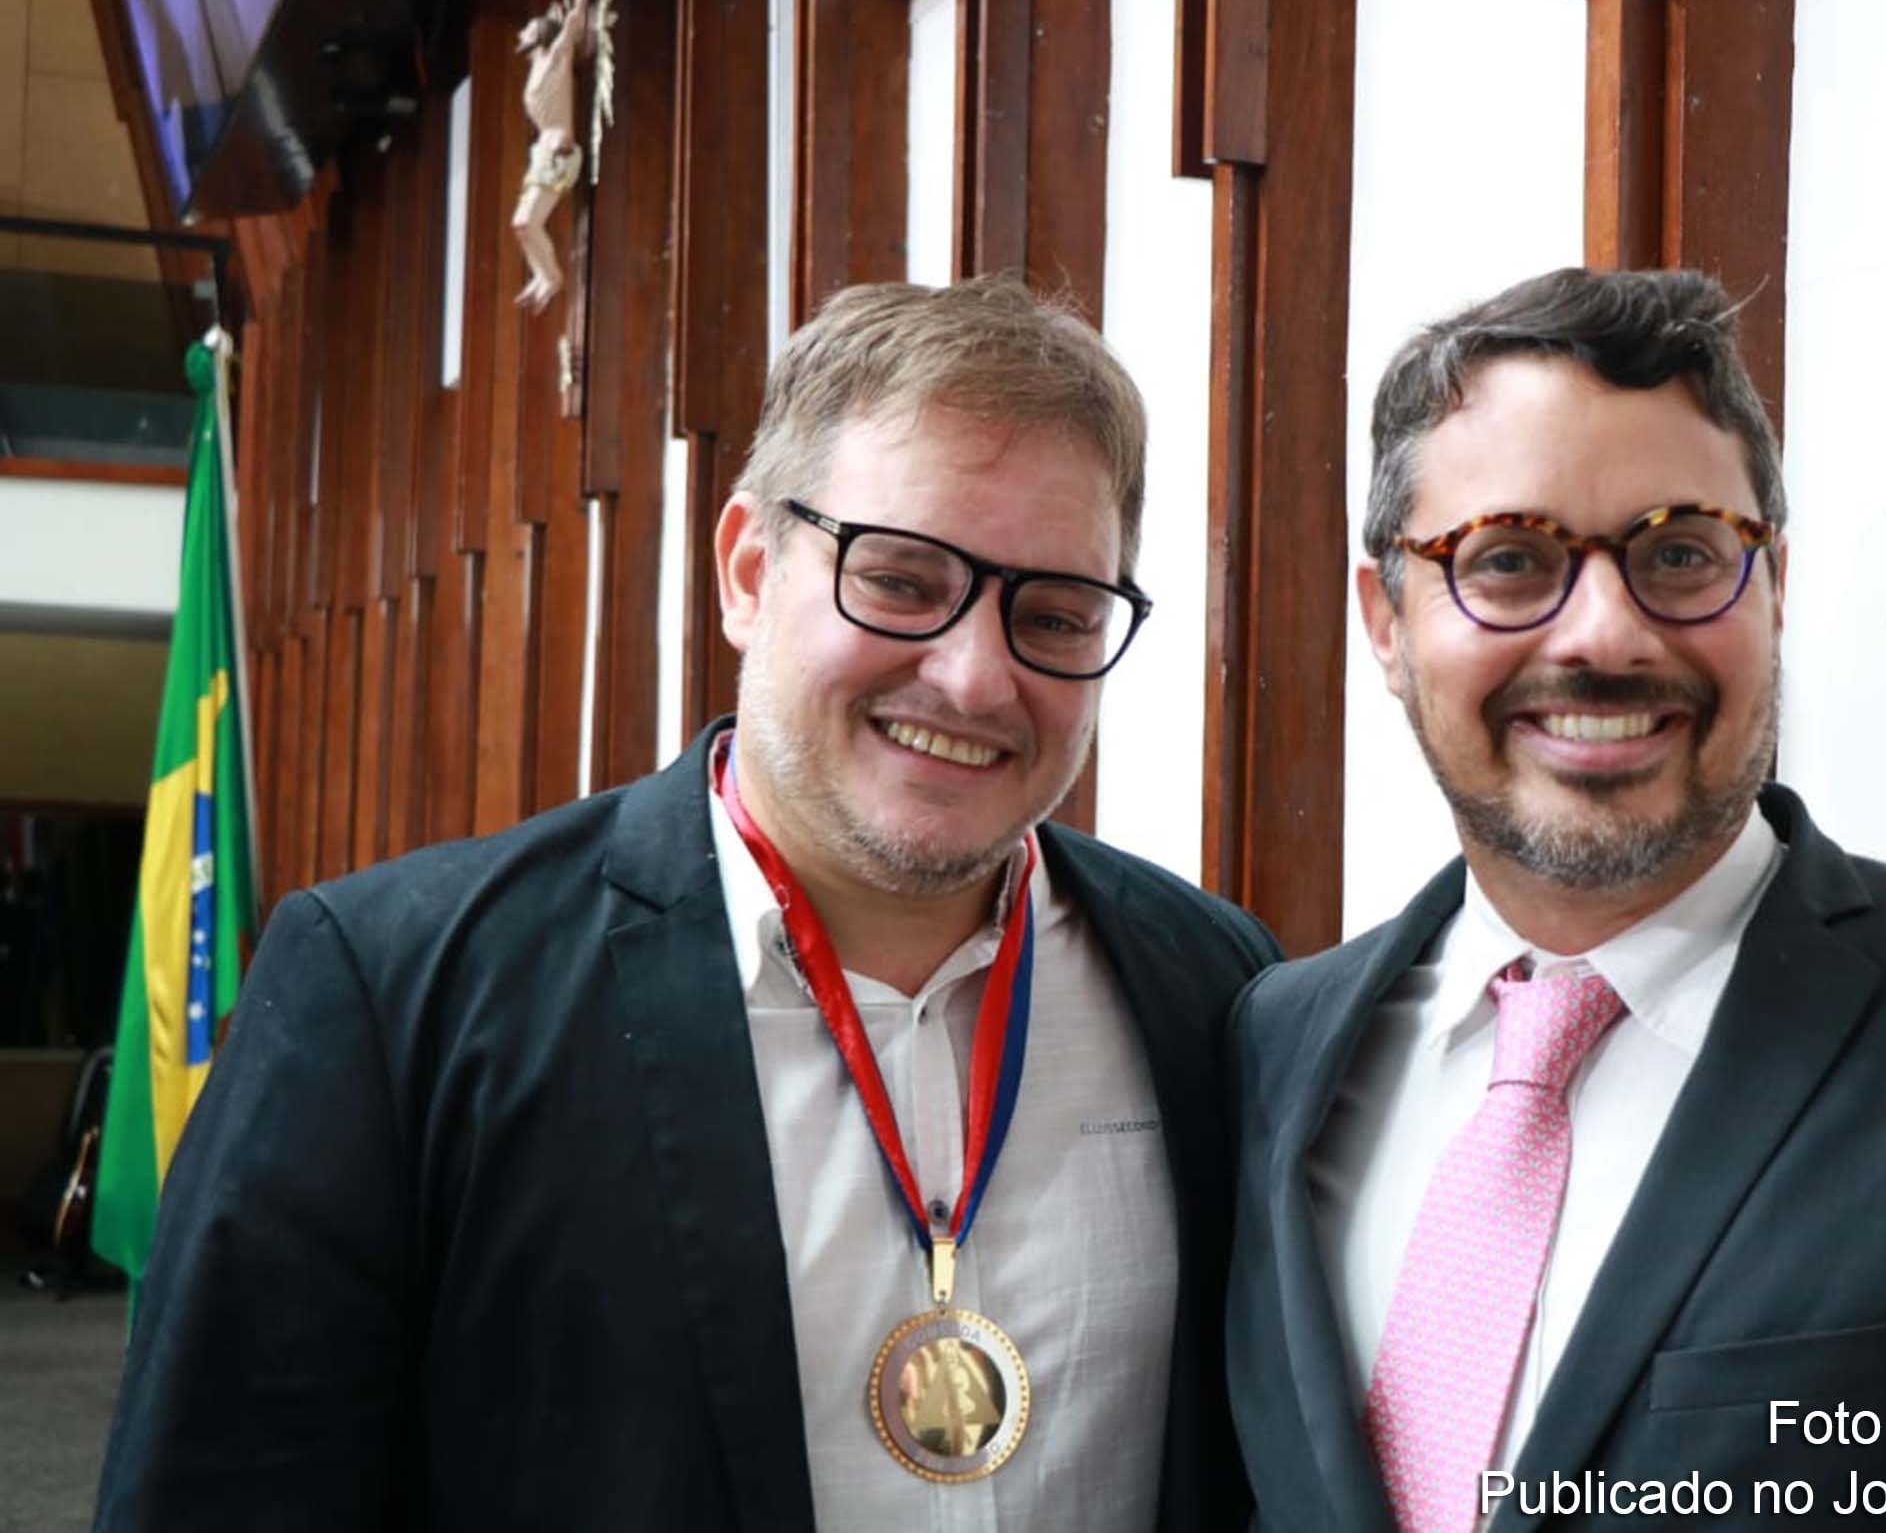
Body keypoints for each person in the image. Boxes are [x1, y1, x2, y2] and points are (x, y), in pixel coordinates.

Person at [95, 277, 1278, 1531]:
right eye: (900, 580)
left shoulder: (1216, 992)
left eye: (1054, 614)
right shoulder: (396, 1004)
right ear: (748, 571)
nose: (976, 677)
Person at [1224, 268, 1886, 1531]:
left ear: (1773, 587)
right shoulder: (1275, 1046)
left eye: (1679, 553)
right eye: (1507, 560)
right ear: (1386, 621)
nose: (1603, 634)